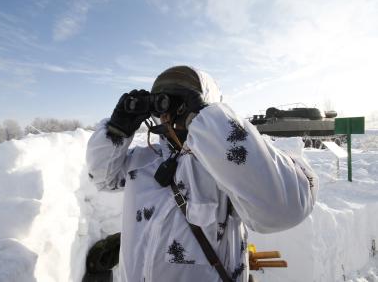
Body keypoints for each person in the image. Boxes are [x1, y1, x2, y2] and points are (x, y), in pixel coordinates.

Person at [85, 65, 318, 282]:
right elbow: (102, 177)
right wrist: (117, 129)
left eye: (177, 105)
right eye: (161, 105)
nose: (167, 117)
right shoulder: (145, 160)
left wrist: (205, 119)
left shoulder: (230, 166)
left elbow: (281, 208)